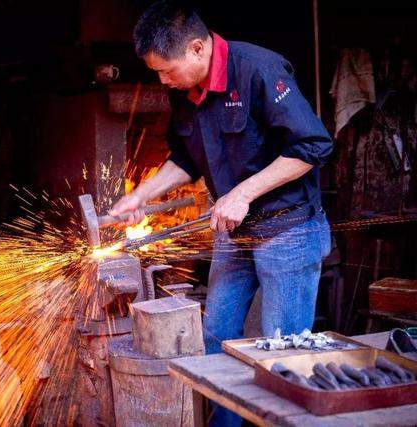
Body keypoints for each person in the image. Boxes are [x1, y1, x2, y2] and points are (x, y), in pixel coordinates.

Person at [109, 2, 333, 425]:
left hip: (288, 230)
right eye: (157, 72)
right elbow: (186, 158)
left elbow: (312, 147)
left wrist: (243, 193)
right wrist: (141, 195)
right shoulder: (186, 92)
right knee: (215, 342)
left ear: (197, 48)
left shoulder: (259, 71)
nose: (163, 80)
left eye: (167, 70)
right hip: (234, 235)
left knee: (281, 353)